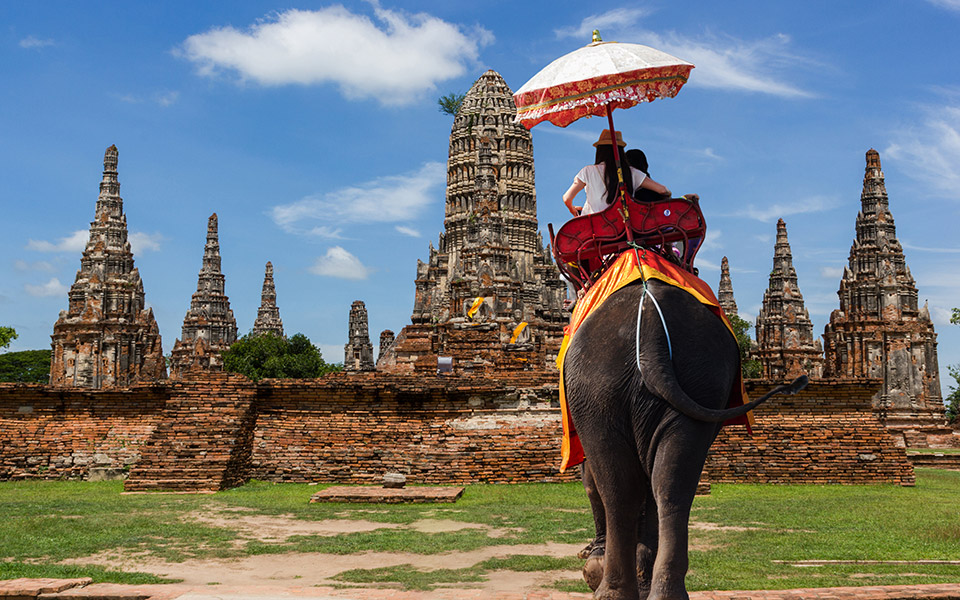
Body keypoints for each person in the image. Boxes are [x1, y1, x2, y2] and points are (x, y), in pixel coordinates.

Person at [562, 130, 671, 217]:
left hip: (594, 229)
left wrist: (573, 209)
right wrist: (668, 195)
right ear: (621, 152)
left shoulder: (587, 171)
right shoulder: (631, 172)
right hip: (623, 228)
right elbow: (662, 190)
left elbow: (567, 198)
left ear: (600, 151)